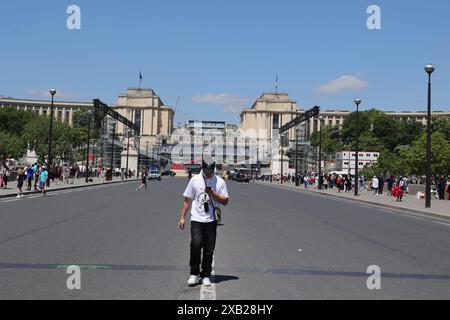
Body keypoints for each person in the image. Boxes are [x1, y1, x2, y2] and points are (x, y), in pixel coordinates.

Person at [178, 158, 229, 287]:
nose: (207, 173)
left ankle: (206, 275)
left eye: (210, 171)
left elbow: (225, 201)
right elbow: (187, 200)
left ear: (213, 169)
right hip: (196, 218)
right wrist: (182, 217)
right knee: (195, 245)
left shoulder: (220, 181)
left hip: (211, 220)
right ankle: (194, 273)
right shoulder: (194, 180)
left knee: (209, 249)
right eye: (206, 171)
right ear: (202, 168)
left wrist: (213, 194)